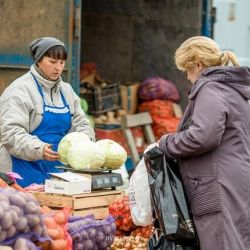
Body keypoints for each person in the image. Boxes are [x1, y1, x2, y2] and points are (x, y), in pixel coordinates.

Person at [157, 36, 250, 250]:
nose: (188, 77)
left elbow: (202, 136)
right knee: (234, 240)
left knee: (219, 241)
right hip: (234, 178)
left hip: (217, 185)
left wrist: (167, 143)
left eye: (187, 70)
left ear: (198, 65)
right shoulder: (232, 88)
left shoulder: (211, 88)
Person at [0, 37, 95, 187]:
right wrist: (39, 149)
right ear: (38, 60)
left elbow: (82, 124)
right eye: (52, 62)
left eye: (62, 63)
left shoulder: (67, 91)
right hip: (22, 174)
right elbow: (11, 133)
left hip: (59, 176)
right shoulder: (19, 90)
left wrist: (86, 144)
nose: (58, 68)